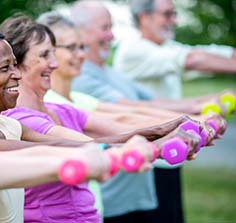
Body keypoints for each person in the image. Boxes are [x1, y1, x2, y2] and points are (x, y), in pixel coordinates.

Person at [0, 14, 205, 223]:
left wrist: (178, 126)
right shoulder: (19, 119)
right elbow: (89, 147)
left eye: (53, 53)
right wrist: (157, 146)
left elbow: (121, 125)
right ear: (15, 65)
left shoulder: (60, 110)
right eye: (44, 55)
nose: (54, 63)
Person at [0, 28, 158, 223]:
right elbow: (41, 152)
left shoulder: (8, 125)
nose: (16, 75)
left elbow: (69, 143)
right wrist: (116, 153)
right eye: (4, 68)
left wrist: (159, 133)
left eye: (15, 65)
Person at [68, 1, 228, 223]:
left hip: (140, 191)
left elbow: (154, 102)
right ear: (80, 32)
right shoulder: (81, 79)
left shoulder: (111, 73)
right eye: (105, 28)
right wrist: (190, 118)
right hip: (114, 199)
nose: (112, 35)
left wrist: (204, 105)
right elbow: (128, 112)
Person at [113, 0, 236, 100]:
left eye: (174, 14)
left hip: (165, 124)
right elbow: (191, 60)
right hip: (144, 127)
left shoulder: (165, 45)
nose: (174, 21)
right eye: (167, 14)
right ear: (144, 18)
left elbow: (201, 52)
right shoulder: (133, 48)